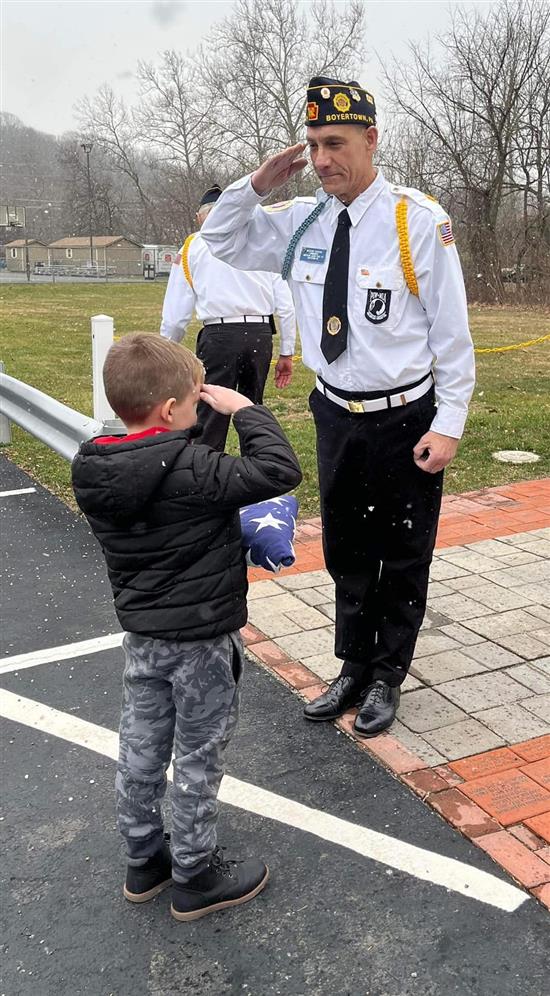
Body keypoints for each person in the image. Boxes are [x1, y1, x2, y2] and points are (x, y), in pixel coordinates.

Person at [201, 77, 475, 738]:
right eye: (315, 144)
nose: (323, 159)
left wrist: (450, 422)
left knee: (404, 549)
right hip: (336, 412)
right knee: (348, 545)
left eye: (336, 143)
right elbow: (219, 239)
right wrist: (258, 183)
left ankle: (388, 674)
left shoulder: (416, 222)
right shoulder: (302, 222)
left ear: (371, 140)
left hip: (406, 416)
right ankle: (352, 664)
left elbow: (451, 333)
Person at [71, 333, 302, 920]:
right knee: (198, 755)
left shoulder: (94, 466)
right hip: (201, 641)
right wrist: (247, 411)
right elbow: (279, 470)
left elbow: (160, 462)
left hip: (145, 639)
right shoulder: (197, 470)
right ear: (172, 410)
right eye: (194, 404)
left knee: (141, 747)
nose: (202, 410)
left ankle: (143, 860)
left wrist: (192, 420)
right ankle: (195, 874)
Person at [161, 184, 297, 450]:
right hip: (260, 335)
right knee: (253, 412)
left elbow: (176, 313)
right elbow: (286, 304)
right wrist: (286, 352)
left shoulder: (193, 245)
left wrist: (166, 351)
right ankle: (258, 467)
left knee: (210, 413)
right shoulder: (259, 241)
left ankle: (206, 473)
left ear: (202, 216)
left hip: (220, 336)